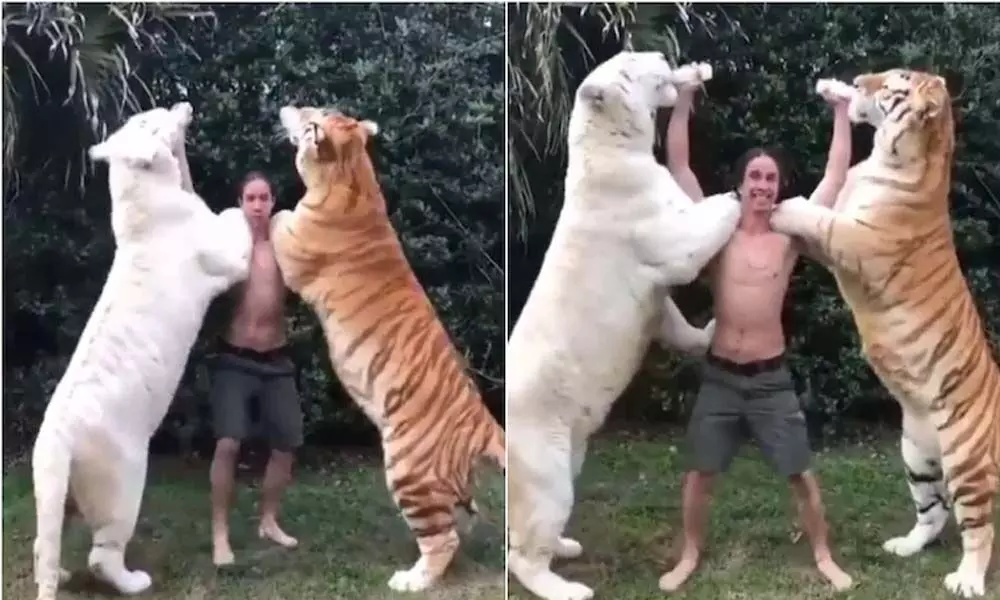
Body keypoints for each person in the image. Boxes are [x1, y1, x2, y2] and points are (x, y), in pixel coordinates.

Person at [657, 81, 854, 592]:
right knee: (700, 474)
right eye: (755, 176)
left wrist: (840, 112)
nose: (763, 185)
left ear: (777, 186)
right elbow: (680, 171)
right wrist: (682, 103)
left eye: (771, 178)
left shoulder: (790, 236)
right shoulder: (717, 230)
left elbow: (833, 180)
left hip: (771, 379)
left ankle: (823, 554)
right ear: (741, 184)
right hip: (721, 375)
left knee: (799, 473)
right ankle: (690, 554)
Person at [208, 171, 303, 566]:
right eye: (251, 198)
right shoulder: (232, 246)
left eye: (265, 198)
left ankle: (268, 520)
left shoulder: (285, 246)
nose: (259, 206)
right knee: (228, 443)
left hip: (277, 359)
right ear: (241, 203)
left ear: (273, 203)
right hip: (236, 358)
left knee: (287, 444)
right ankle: (220, 535)